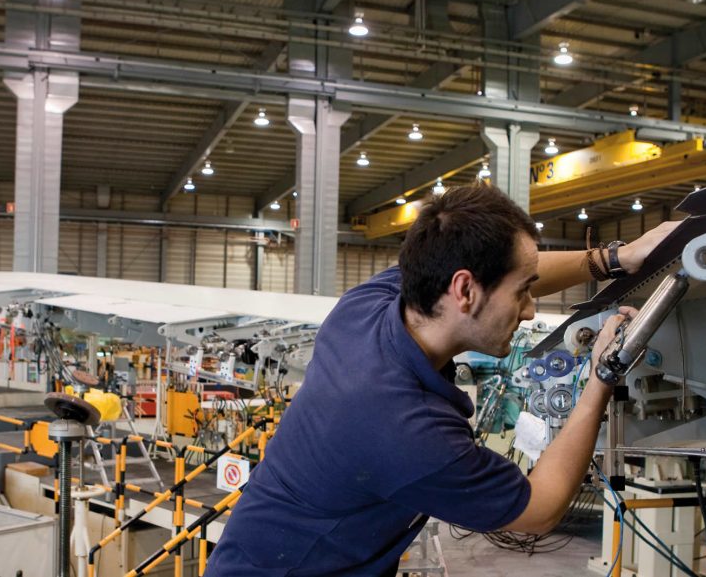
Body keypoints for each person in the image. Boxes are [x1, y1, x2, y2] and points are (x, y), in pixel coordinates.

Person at [206, 186, 676, 576]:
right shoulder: (405, 429)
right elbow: (541, 508)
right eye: (522, 293)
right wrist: (602, 375)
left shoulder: (368, 306)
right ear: (465, 290)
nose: (531, 309)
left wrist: (618, 258)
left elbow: (512, 267)